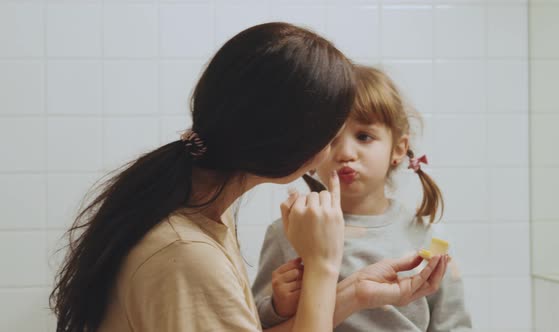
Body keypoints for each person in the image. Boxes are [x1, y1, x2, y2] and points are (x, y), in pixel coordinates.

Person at [50, 23, 448, 332]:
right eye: (333, 131)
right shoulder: (187, 255)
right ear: (300, 144)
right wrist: (324, 265)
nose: (340, 151)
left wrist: (355, 293)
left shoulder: (199, 217)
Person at [252, 65, 469, 331]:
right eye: (330, 140)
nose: (345, 153)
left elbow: (453, 323)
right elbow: (253, 322)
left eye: (364, 136)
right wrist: (277, 306)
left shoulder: (426, 236)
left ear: (399, 148)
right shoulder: (288, 230)